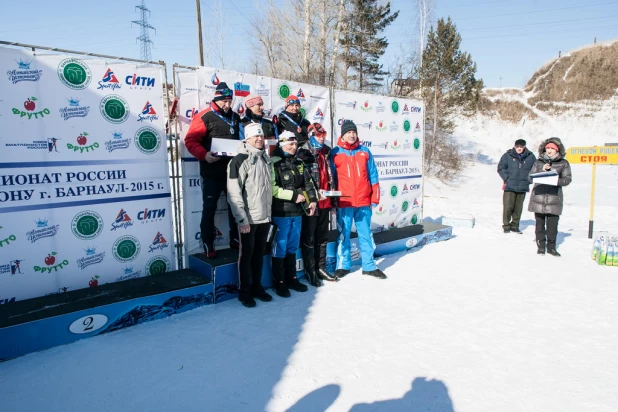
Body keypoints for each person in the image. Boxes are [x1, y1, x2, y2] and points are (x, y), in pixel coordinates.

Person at [185, 82, 241, 258]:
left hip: (232, 171)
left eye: (230, 100)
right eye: (224, 101)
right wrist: (204, 155)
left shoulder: (234, 116)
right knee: (210, 207)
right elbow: (190, 141)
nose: (227, 104)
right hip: (212, 171)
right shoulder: (204, 116)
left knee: (235, 207)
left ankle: (235, 239)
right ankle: (208, 242)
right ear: (216, 99)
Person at [331, 120, 386, 279]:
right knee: (343, 235)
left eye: (353, 132)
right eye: (348, 132)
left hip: (363, 202)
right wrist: (333, 202)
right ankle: (344, 265)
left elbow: (373, 176)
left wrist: (374, 198)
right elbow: (331, 179)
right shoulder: (335, 153)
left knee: (366, 235)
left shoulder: (365, 151)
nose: (352, 134)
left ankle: (369, 266)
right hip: (344, 202)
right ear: (343, 134)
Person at [227, 123, 273, 308]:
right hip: (248, 219)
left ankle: (257, 287)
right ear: (247, 139)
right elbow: (234, 192)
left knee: (259, 255)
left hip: (264, 217)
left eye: (261, 136)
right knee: (246, 255)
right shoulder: (239, 160)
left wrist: (269, 215)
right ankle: (244, 291)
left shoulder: (265, 158)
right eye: (256, 137)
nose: (260, 139)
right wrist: (241, 219)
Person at [270, 131, 318, 297]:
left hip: (297, 212)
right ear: (282, 144)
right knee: (280, 247)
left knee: (292, 247)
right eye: (290, 144)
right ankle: (279, 282)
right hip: (281, 212)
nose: (294, 147)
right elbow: (272, 188)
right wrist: (292, 196)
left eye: (295, 144)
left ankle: (292, 278)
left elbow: (308, 182)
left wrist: (312, 200)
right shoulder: (274, 163)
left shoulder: (299, 162)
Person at [296, 122, 339, 286]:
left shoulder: (327, 152)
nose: (322, 138)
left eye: (324, 135)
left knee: (322, 237)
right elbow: (300, 181)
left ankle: (321, 267)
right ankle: (310, 270)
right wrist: (311, 196)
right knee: (309, 237)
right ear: (311, 135)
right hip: (311, 202)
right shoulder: (303, 152)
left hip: (326, 201)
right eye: (318, 135)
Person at [527, 137, 572, 256]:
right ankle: (541, 246)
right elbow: (529, 177)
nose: (549, 150)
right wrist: (542, 171)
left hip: (554, 199)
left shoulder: (563, 163)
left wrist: (554, 179)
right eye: (547, 148)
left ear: (557, 150)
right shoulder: (538, 162)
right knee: (539, 224)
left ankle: (551, 247)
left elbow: (567, 180)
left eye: (552, 148)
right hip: (538, 197)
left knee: (552, 226)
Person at [497, 139, 536, 234]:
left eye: (521, 147)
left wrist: (529, 180)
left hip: (523, 186)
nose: (519, 148)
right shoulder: (507, 155)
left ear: (524, 147)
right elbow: (501, 168)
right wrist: (507, 178)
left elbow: (535, 169)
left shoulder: (530, 156)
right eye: (517, 146)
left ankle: (515, 225)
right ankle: (506, 225)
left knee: (518, 208)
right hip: (510, 185)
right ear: (514, 146)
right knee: (508, 207)